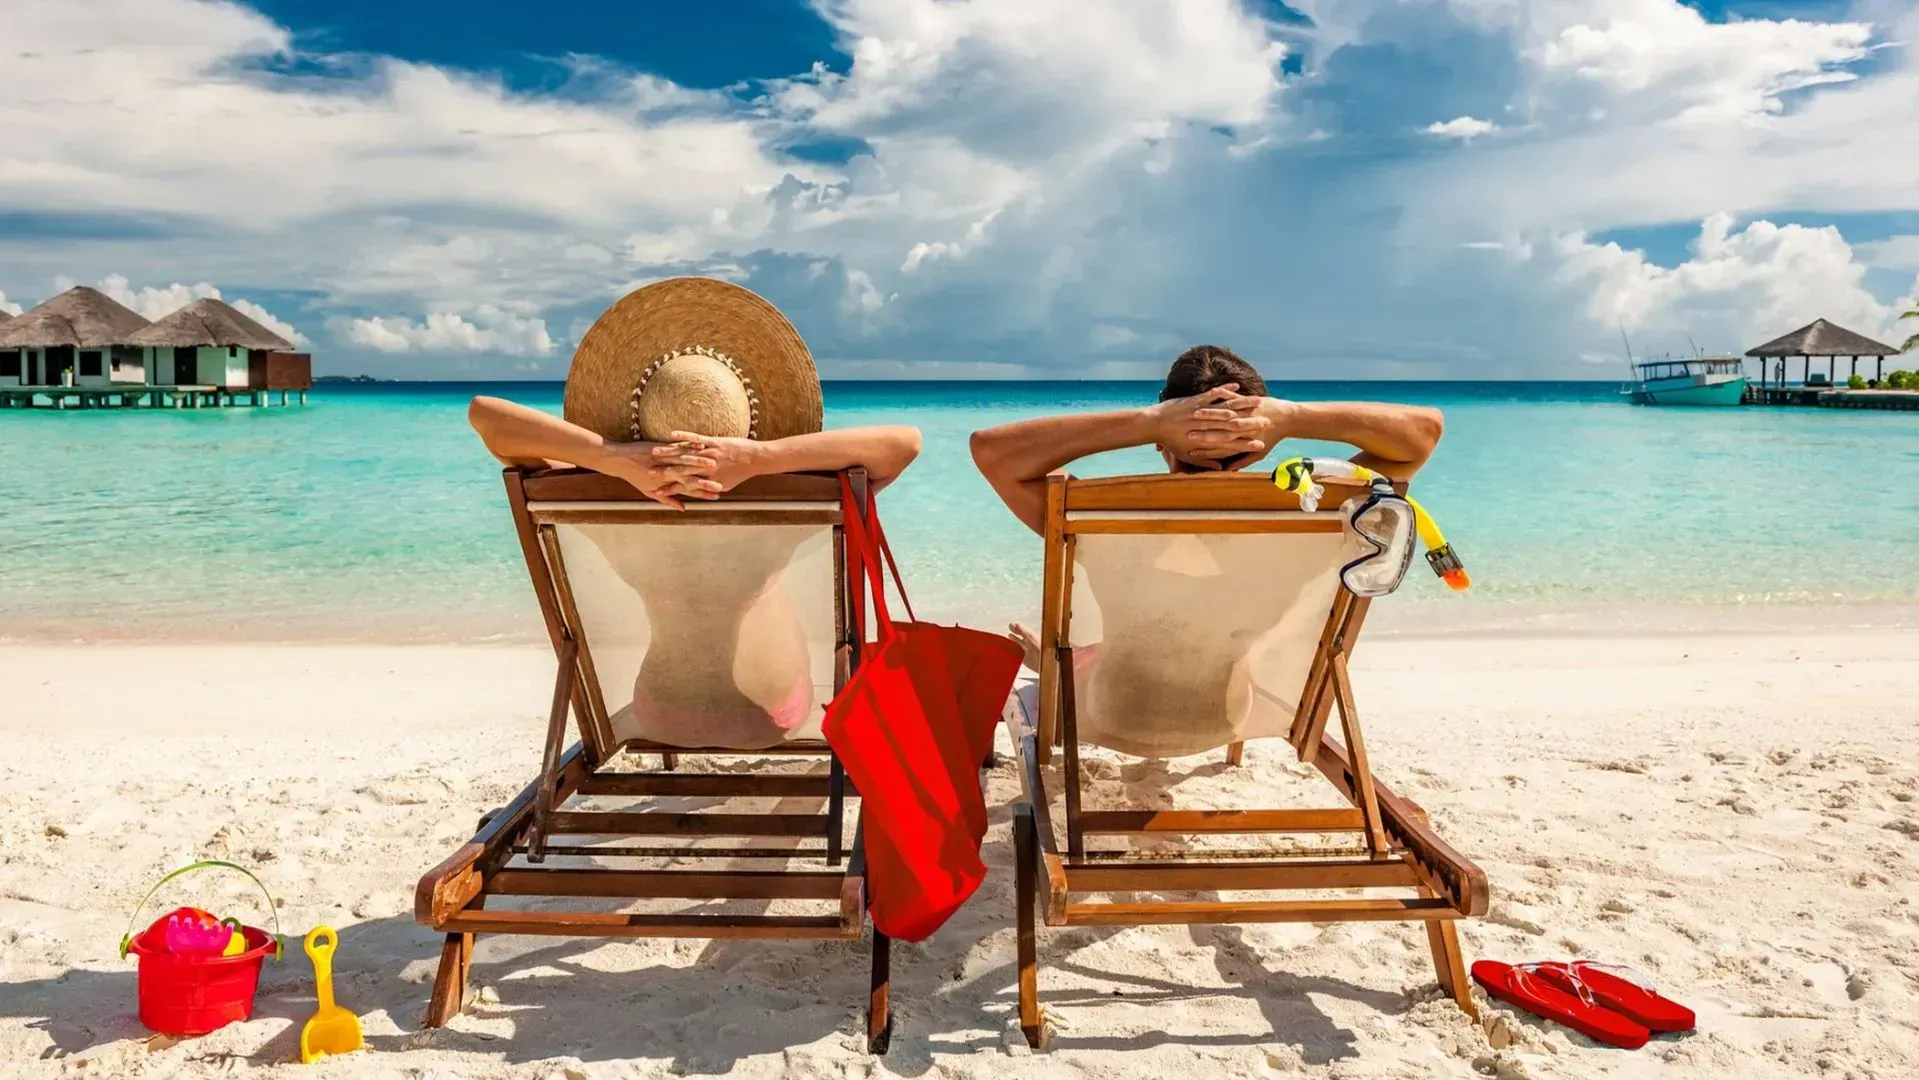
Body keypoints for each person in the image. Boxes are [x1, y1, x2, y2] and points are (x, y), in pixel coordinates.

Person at [468, 277, 921, 748]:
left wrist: (618, 460)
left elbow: (486, 416)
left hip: (662, 715)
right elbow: (904, 444)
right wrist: (757, 460)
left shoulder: (600, 502)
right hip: (772, 716)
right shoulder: (791, 501)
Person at [969, 344, 1445, 756]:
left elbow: (992, 452)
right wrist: (1292, 418)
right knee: (1189, 631)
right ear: (1258, 441)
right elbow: (1420, 437)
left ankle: (1049, 663)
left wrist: (1150, 422)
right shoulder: (1306, 520)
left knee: (1130, 638)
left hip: (1112, 713)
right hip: (1227, 718)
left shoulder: (1095, 516)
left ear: (1164, 440)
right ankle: (1058, 661)